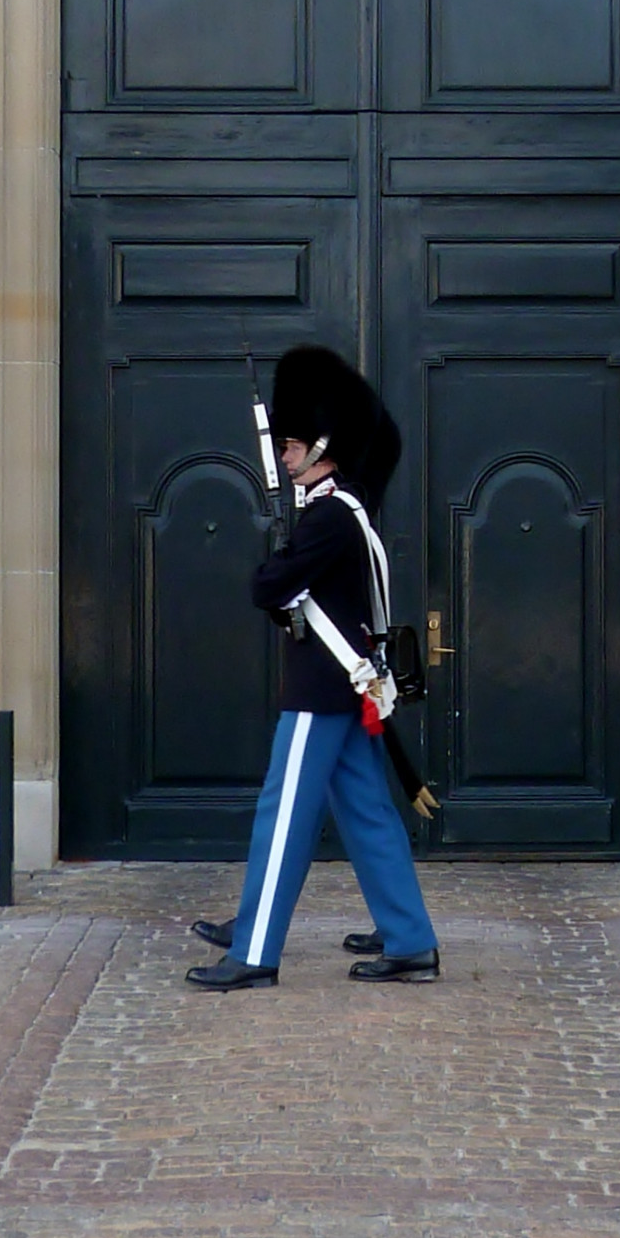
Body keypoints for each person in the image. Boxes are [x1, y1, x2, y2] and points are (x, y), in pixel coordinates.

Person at [186, 346, 440, 992]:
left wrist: (276, 571)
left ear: (323, 446)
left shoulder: (328, 517)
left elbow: (267, 587)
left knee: (282, 817)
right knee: (366, 813)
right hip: (342, 687)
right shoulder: (341, 509)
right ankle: (409, 938)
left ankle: (254, 949)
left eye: (293, 446)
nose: (285, 456)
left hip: (321, 691)